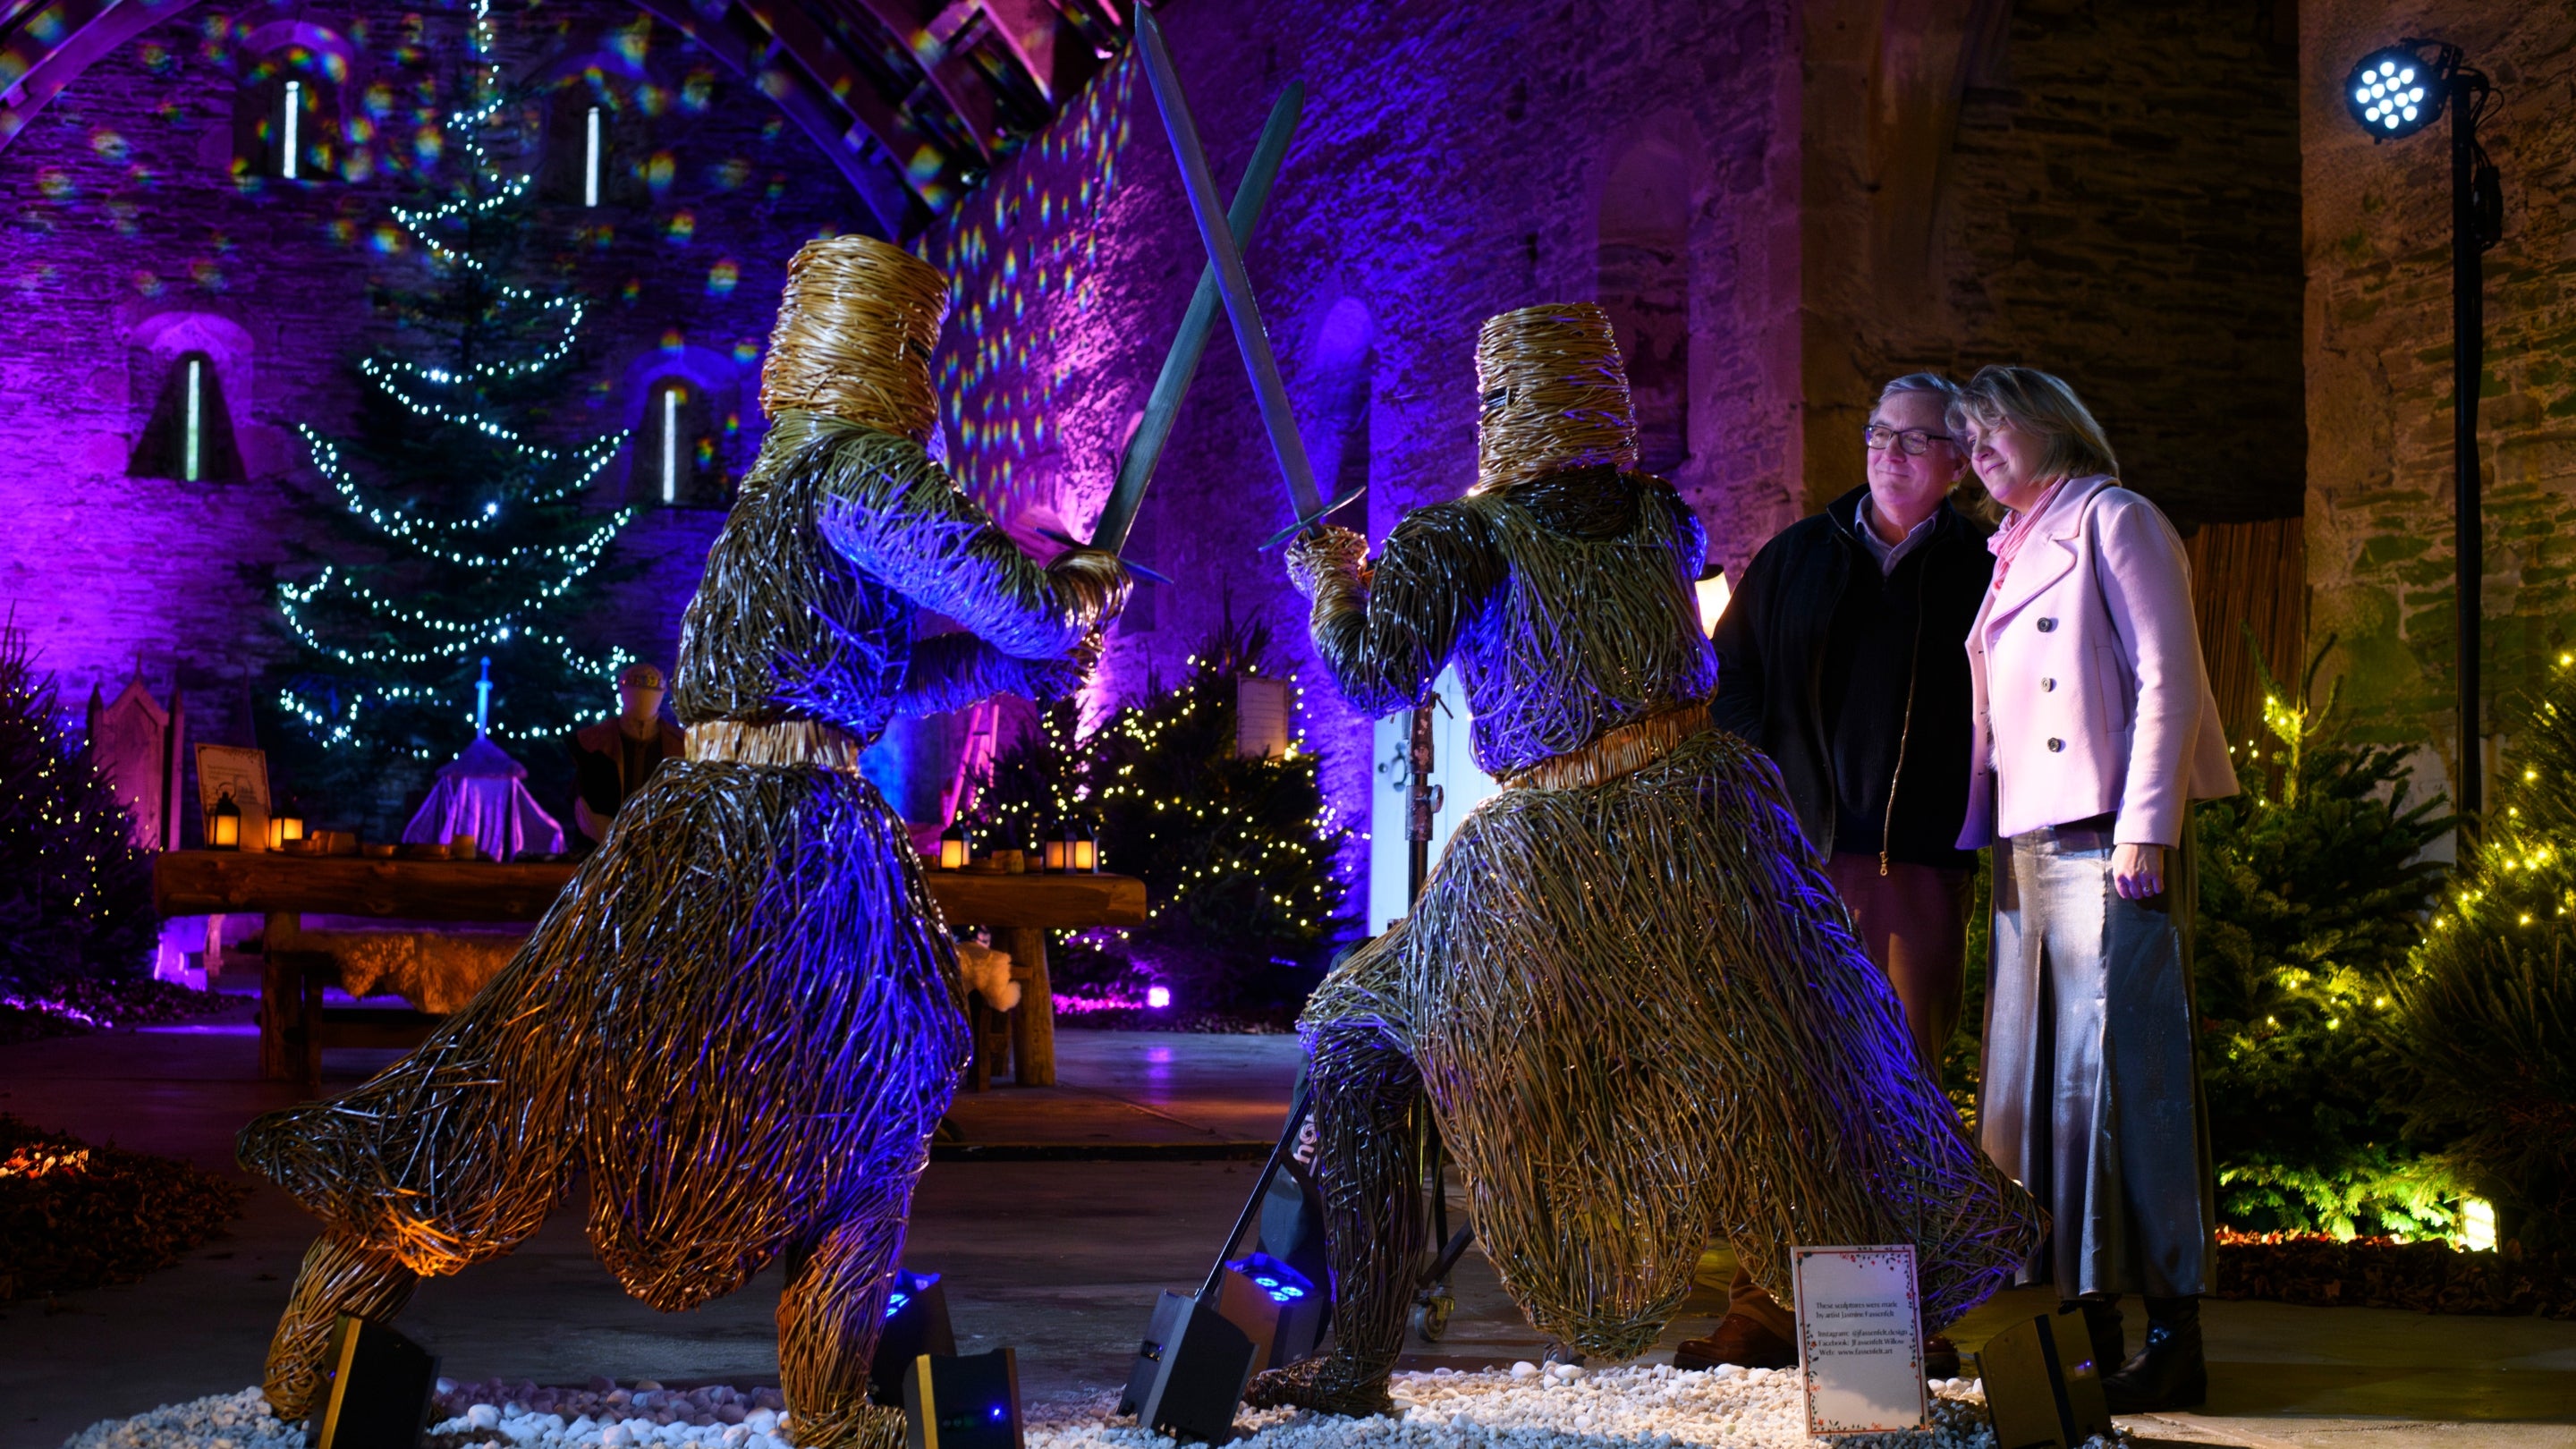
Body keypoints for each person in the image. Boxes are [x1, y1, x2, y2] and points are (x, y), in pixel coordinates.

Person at [237, 234, 1127, 1449]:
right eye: (918, 348)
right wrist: (1070, 600)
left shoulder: (784, 496)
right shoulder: (859, 475)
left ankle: (822, 1397)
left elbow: (861, 685)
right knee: (862, 1097)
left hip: (751, 826)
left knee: (549, 1084)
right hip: (767, 850)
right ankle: (820, 1406)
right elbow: (1010, 600)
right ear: (891, 354)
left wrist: (1027, 648)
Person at [1247, 302, 2040, 1417]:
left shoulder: (1462, 538)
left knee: (1352, 1042)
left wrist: (1330, 579)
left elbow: (1376, 675)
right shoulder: (1659, 518)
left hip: (1558, 851)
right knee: (1796, 1076)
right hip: (1711, 831)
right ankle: (1870, 1381)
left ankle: (1355, 1364)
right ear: (1606, 396)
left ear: (1503, 404)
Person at [1686, 372, 1994, 1372]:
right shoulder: (1796, 559)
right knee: (1785, 1083)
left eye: (1914, 439)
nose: (1888, 452)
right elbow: (1729, 687)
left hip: (1918, 870)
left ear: (1957, 463)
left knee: (1902, 1090)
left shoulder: (1984, 566)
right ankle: (1763, 1309)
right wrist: (1760, 803)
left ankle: (1898, 1321)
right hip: (1801, 867)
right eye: (1876, 433)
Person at [1952, 365, 2234, 1412]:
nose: (1977, 450)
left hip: (2111, 838)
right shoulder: (2012, 546)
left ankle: (2173, 1334)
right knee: (2049, 1103)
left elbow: (2172, 678)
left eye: (1993, 428)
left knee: (2130, 1083)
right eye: (1967, 435)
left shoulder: (2116, 517)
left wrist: (2146, 826)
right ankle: (2090, 1329)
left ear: (2054, 427)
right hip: (2031, 843)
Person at [569, 661, 686, 845]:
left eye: (649, 693)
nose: (642, 699)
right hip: (599, 853)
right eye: (636, 692)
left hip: (659, 852)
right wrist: (614, 840)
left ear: (661, 694)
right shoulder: (591, 744)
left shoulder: (680, 747)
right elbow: (585, 807)